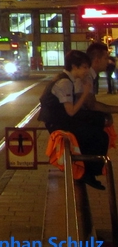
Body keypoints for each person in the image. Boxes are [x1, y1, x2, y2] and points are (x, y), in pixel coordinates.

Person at [44, 50, 109, 189]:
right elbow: (71, 111)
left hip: (60, 119)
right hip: (58, 123)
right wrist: (86, 92)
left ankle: (89, 170)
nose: (87, 71)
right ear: (74, 67)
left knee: (97, 120)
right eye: (85, 67)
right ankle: (88, 171)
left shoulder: (66, 79)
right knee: (99, 136)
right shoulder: (64, 83)